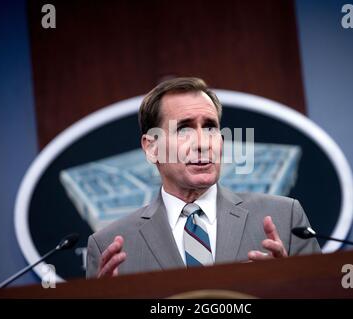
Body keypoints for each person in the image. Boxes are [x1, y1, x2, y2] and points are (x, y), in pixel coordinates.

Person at [86, 77, 320, 278]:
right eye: (184, 129)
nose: (202, 143)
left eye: (210, 127)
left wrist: (289, 286)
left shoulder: (285, 218)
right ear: (152, 148)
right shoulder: (109, 246)